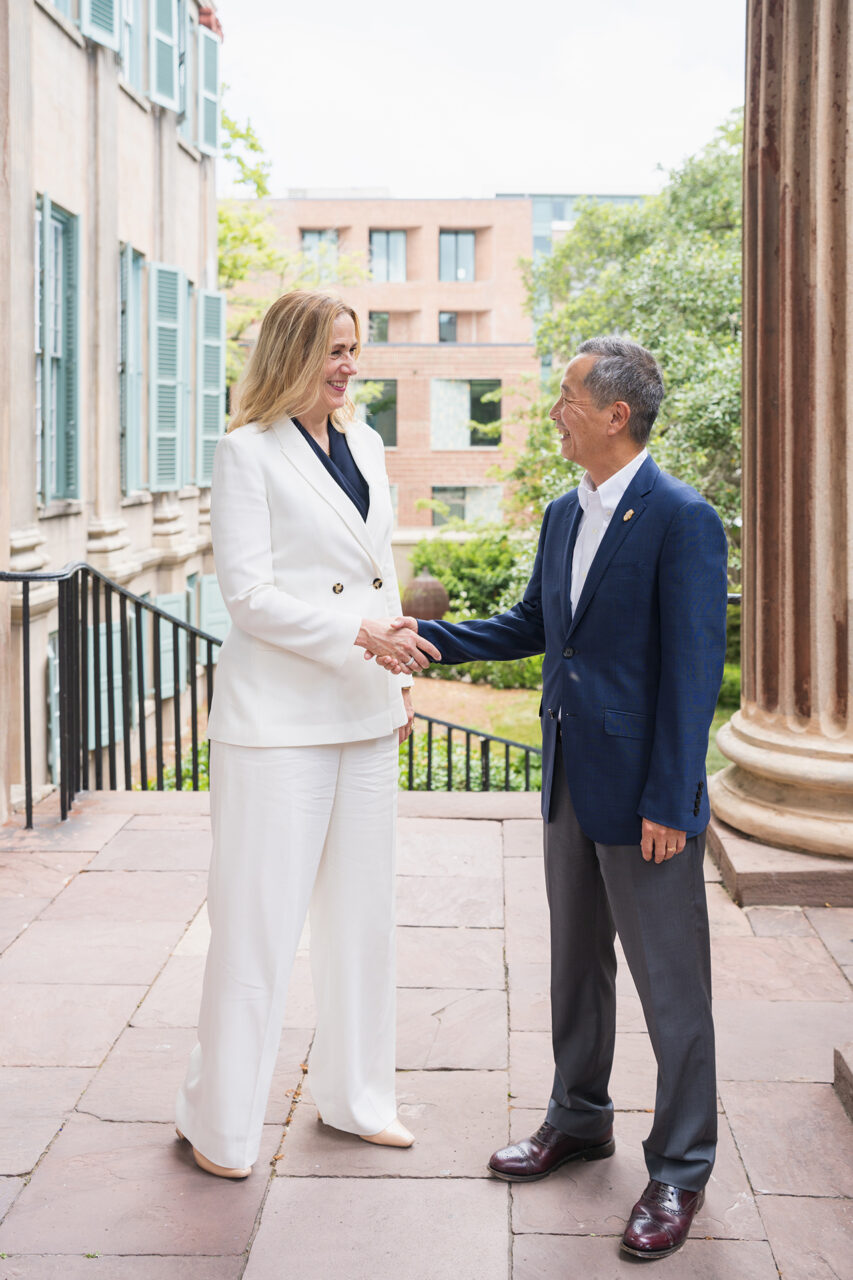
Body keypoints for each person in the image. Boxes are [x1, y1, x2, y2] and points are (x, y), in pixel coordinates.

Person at [389, 337, 728, 1260]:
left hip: (646, 797)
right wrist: (426, 638)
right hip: (570, 777)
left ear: (615, 414)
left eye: (568, 398)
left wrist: (672, 799)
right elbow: (536, 627)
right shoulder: (560, 513)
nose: (555, 412)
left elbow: (694, 676)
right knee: (575, 964)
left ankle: (680, 1167)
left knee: (672, 989)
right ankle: (578, 1117)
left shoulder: (682, 518)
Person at [176, 290, 440, 1179]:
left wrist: (392, 671)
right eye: (332, 350)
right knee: (256, 925)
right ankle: (219, 1127)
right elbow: (246, 596)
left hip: (363, 710)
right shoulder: (243, 451)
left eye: (353, 350)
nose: (347, 366)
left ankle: (358, 1100)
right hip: (277, 725)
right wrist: (357, 638)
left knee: (362, 922)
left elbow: (377, 574)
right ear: (291, 353)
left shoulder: (364, 442)